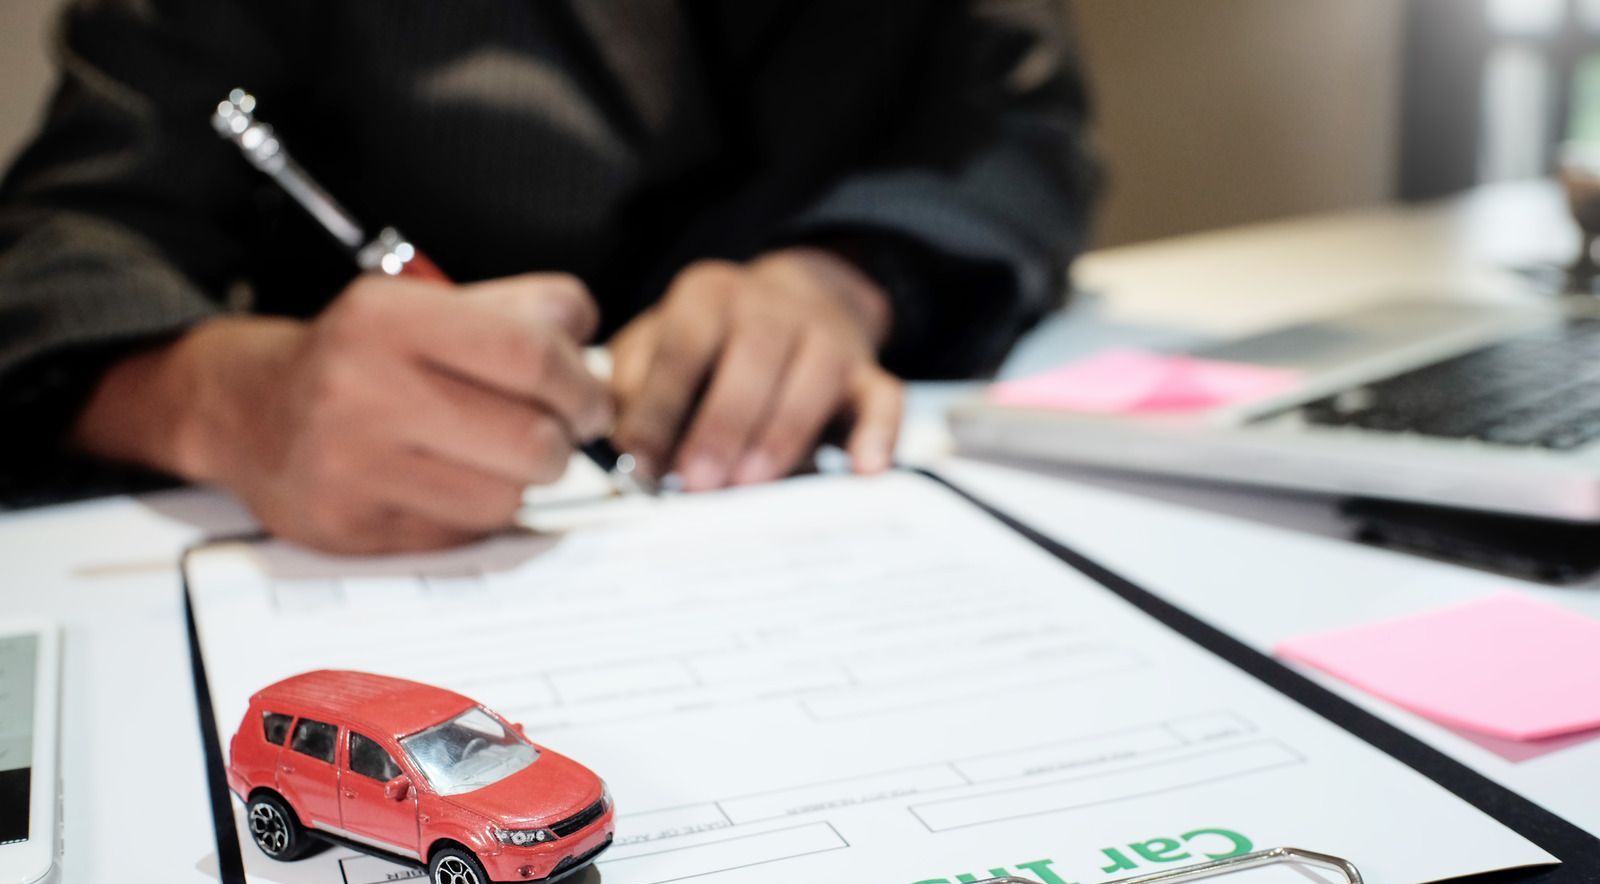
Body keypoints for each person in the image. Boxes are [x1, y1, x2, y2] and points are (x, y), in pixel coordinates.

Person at [0, 0, 1096, 552]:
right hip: (387, 540)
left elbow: (1021, 124)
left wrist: (843, 276)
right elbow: (55, 248)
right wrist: (228, 398)